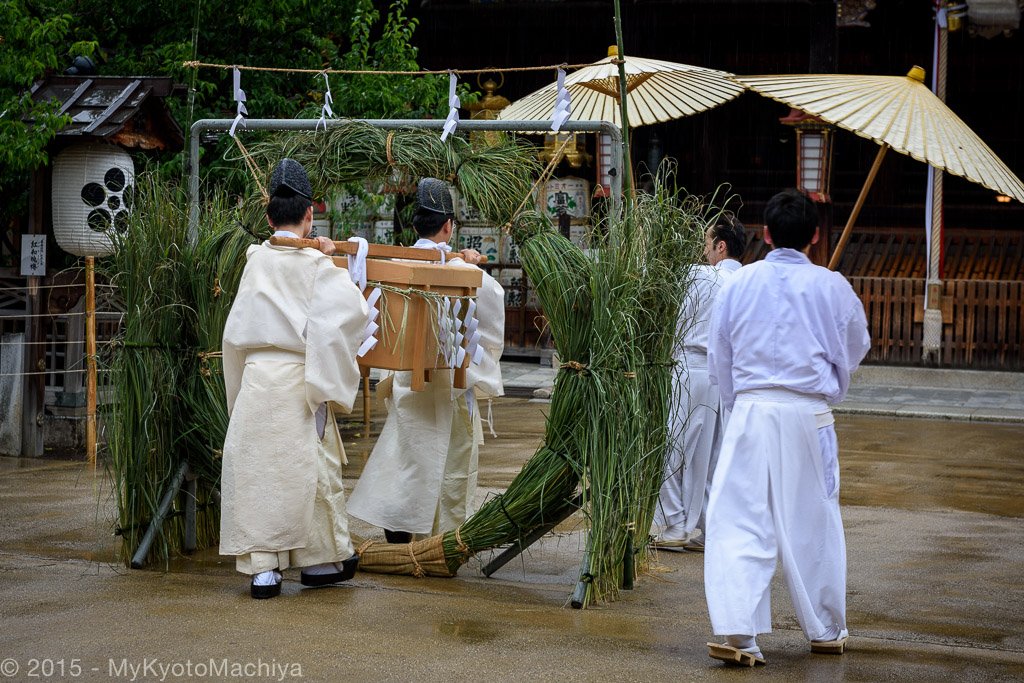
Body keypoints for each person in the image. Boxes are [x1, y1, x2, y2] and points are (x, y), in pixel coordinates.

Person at [703, 189, 870, 666]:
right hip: (807, 412)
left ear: (766, 234)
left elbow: (721, 355)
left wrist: (739, 405)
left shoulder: (737, 284)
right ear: (816, 236)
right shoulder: (832, 285)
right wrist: (830, 382)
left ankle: (738, 631)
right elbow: (855, 347)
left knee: (738, 518)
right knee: (813, 519)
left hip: (752, 409)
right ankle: (824, 628)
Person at [220, 159, 369, 599]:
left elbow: (234, 332)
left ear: (268, 217)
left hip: (255, 376)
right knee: (310, 468)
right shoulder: (318, 266)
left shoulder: (254, 260)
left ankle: (265, 570)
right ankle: (318, 560)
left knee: (258, 470)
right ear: (310, 216)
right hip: (299, 379)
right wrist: (327, 257)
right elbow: (354, 314)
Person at [347, 178, 505, 542]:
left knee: (407, 456)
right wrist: (470, 265)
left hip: (406, 378)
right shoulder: (464, 272)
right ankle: (442, 537)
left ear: (416, 224)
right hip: (451, 383)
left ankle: (400, 523)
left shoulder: (396, 266)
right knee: (450, 463)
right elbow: (491, 318)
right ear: (448, 225)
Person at [653, 214, 746, 553]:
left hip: (693, 367)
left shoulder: (701, 276)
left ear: (720, 246)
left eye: (707, 244)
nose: (704, 251)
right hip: (728, 378)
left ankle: (676, 524)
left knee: (674, 449)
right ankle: (708, 527)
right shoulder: (748, 281)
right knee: (713, 458)